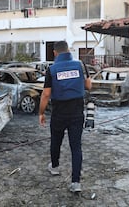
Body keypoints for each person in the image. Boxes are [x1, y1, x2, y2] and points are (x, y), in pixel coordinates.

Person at [39, 41, 92, 193]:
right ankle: (76, 183)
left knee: (56, 141)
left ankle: (55, 167)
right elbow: (88, 86)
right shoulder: (80, 65)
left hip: (59, 112)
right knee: (76, 147)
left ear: (55, 53)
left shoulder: (52, 69)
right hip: (76, 111)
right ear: (68, 50)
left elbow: (46, 94)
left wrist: (41, 113)